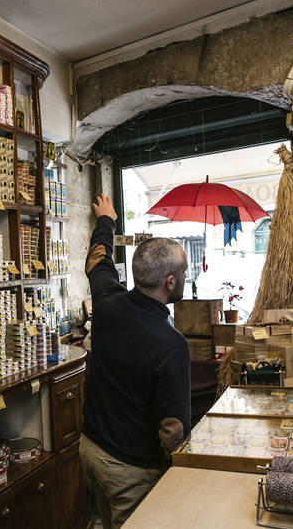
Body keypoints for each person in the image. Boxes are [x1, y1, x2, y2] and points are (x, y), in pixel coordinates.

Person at [79, 194, 191, 528]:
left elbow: (97, 262)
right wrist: (170, 468)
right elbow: (173, 430)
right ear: (169, 281)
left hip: (90, 450)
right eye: (183, 271)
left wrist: (106, 221)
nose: (186, 276)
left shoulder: (107, 305)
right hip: (129, 469)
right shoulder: (172, 345)